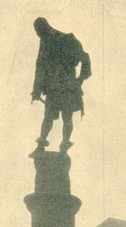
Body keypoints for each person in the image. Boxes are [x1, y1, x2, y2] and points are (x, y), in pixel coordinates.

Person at [31, 17, 91, 152]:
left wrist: (80, 80)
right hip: (53, 88)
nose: (37, 34)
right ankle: (40, 146)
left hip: (68, 86)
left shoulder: (66, 39)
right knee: (47, 117)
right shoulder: (44, 42)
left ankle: (64, 147)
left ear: (44, 28)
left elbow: (85, 58)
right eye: (36, 31)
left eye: (38, 31)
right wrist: (36, 90)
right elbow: (40, 66)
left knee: (67, 117)